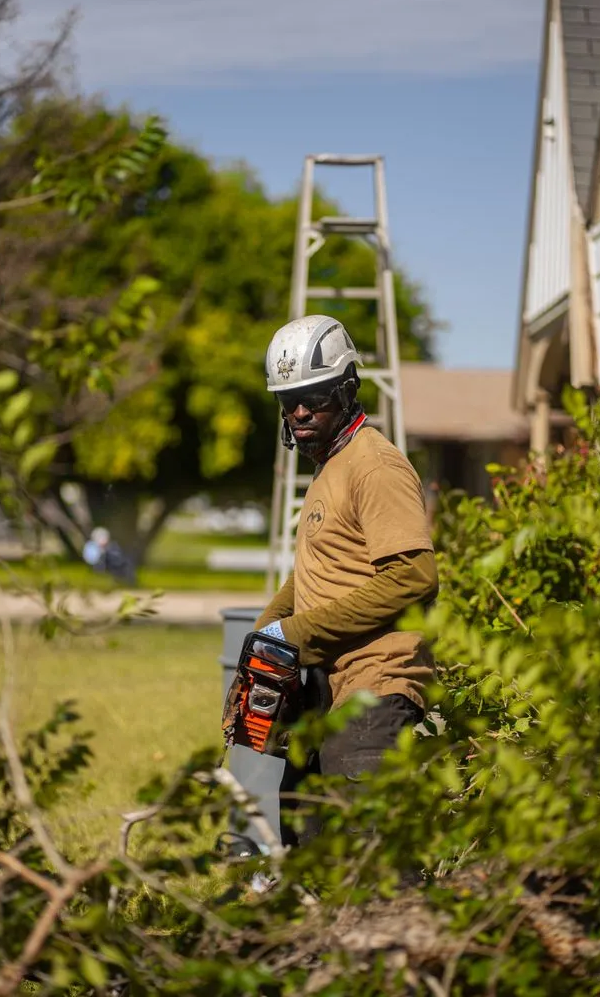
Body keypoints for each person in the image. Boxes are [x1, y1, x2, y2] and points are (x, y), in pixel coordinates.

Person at [254, 314, 439, 847]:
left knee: (361, 847)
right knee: (301, 828)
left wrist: (296, 635)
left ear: (347, 388)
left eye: (315, 395)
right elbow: (317, 571)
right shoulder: (328, 465)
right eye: (289, 400)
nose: (301, 410)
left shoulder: (374, 465)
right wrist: (264, 638)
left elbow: (414, 575)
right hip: (324, 685)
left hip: (376, 680)